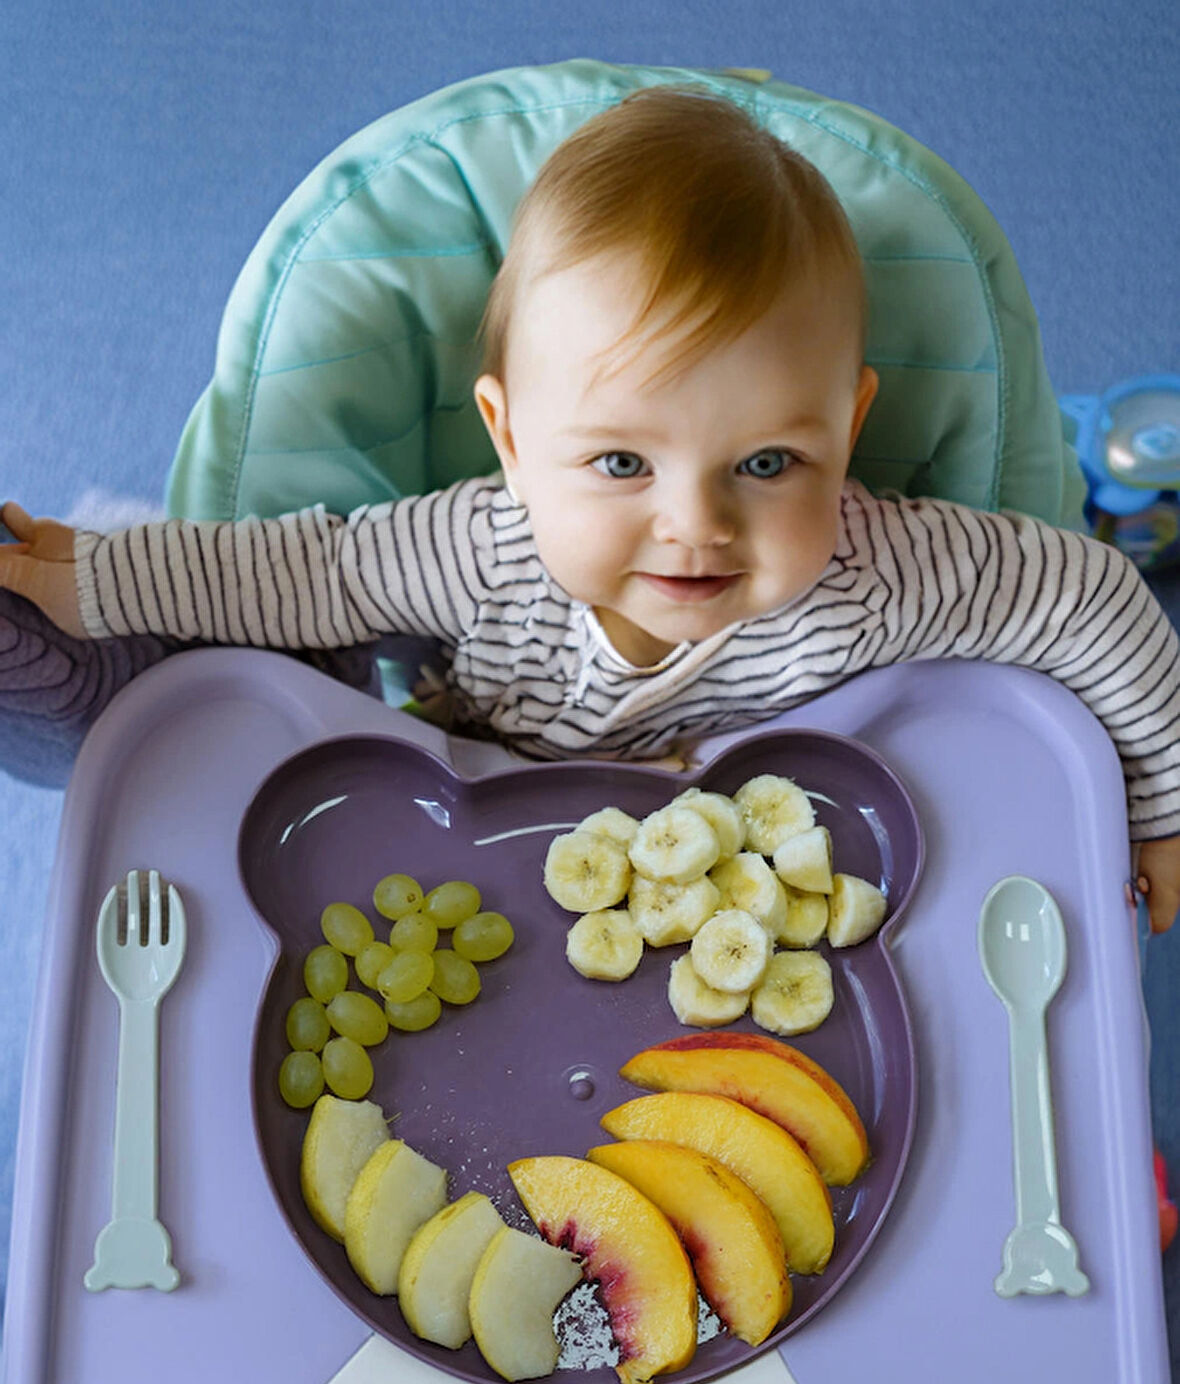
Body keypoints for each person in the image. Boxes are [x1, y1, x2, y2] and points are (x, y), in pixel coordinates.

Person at [3, 86, 1180, 927]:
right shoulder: (482, 552)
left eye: (768, 462)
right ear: (511, 443)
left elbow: (1086, 597)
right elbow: (313, 571)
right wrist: (85, 573)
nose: (696, 525)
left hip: (771, 899)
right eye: (621, 463)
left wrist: (1161, 805)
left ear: (849, 425)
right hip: (486, 852)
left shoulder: (879, 576)